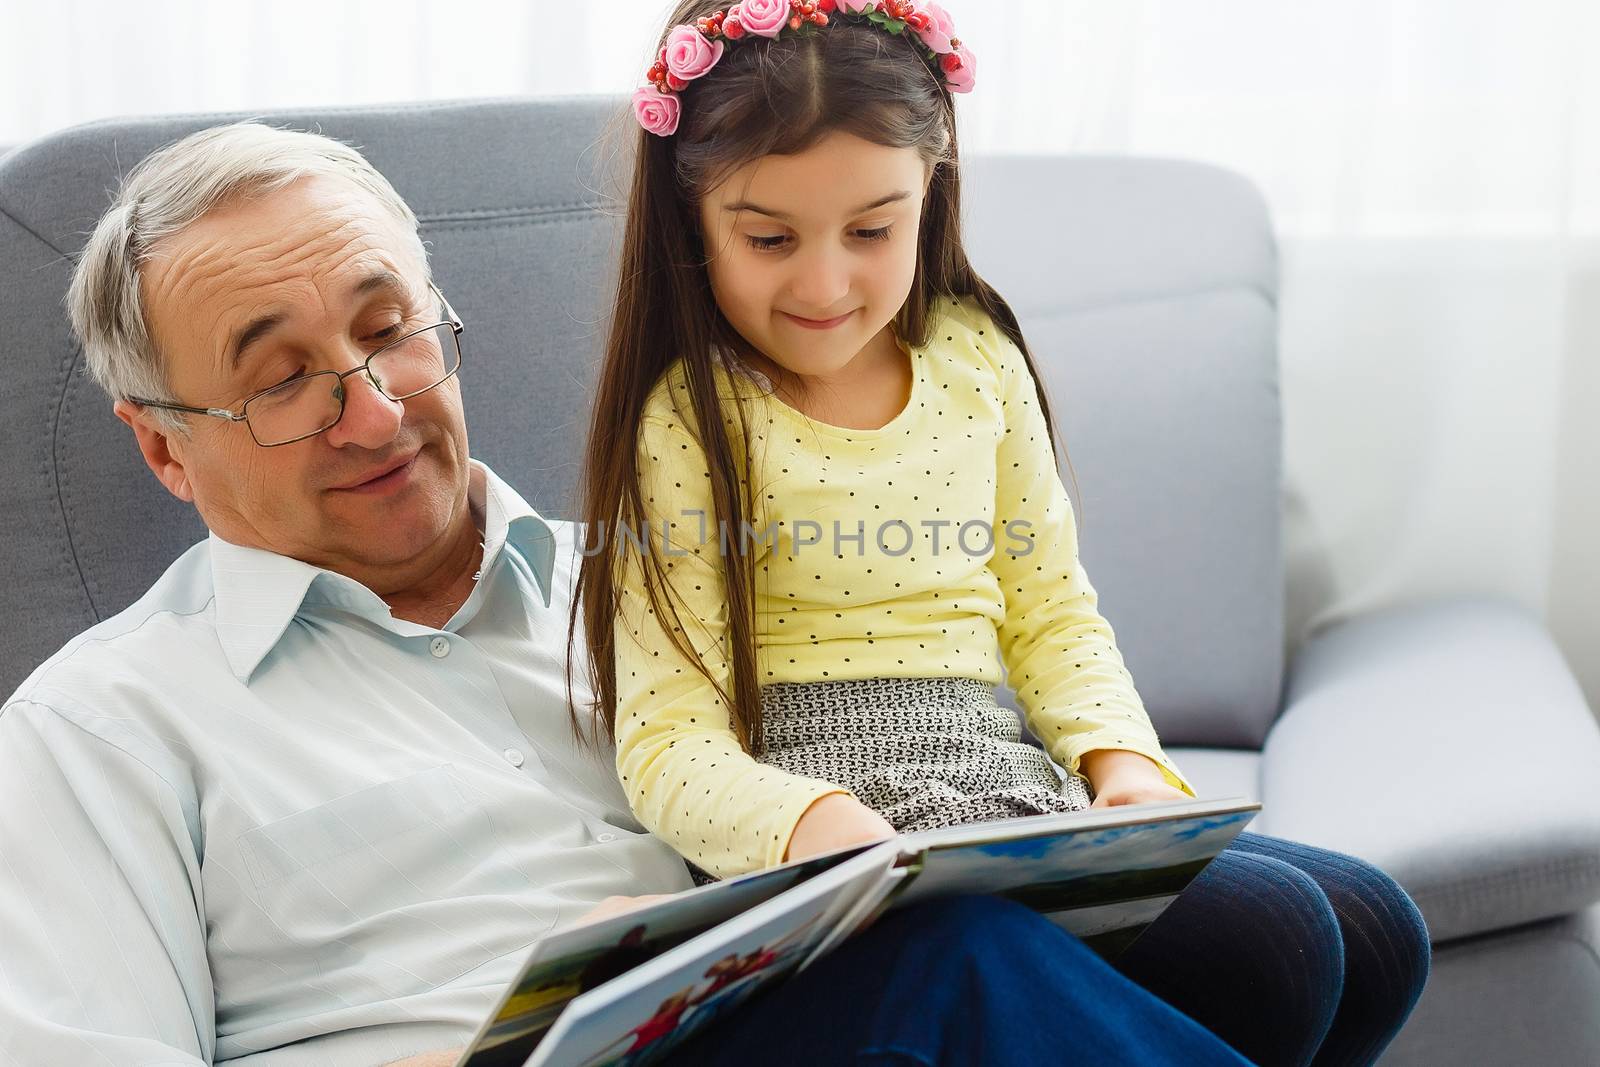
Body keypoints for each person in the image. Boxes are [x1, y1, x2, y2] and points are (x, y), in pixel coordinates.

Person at [0, 119, 1260, 1066]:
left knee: (1300, 927)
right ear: (163, 447)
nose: (374, 412)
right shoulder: (96, 730)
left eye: (390, 331)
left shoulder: (675, 571)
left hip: (807, 1015)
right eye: (282, 379)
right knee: (960, 968)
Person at [570, 1, 1431, 1063]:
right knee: (1281, 940)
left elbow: (1051, 611)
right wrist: (817, 827)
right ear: (691, 217)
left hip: (1013, 801)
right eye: (769, 238)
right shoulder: (687, 420)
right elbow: (665, 738)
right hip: (844, 838)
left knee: (1375, 925)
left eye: (873, 228)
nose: (826, 282)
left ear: (934, 190)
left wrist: (1125, 771)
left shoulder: (975, 358)